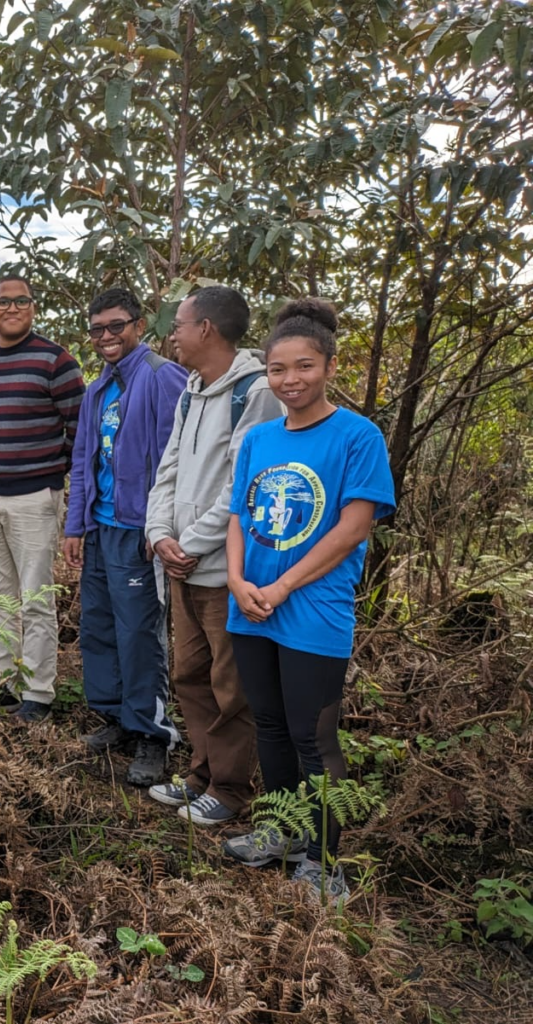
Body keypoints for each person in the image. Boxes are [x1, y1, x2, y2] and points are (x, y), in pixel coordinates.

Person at [221, 298, 395, 902]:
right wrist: (238, 583)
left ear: (329, 366)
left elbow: (354, 526)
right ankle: (279, 831)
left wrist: (282, 585)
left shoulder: (357, 435)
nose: (290, 380)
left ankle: (324, 861)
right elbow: (239, 518)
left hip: (313, 610)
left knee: (313, 736)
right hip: (250, 606)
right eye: (278, 369)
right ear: (265, 372)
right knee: (268, 725)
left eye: (304, 367)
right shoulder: (259, 439)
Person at [144, 286, 282, 823]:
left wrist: (191, 543)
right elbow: (169, 468)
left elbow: (242, 486)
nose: (172, 334)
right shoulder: (190, 390)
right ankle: (200, 774)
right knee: (189, 675)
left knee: (231, 686)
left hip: (224, 569)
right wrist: (160, 534)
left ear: (206, 329)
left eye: (178, 324)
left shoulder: (256, 392)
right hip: (182, 564)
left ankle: (229, 790)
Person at [63, 287, 187, 784]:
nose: (107, 337)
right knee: (99, 626)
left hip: (139, 530)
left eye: (117, 326)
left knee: (139, 633)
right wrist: (76, 524)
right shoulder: (98, 389)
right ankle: (114, 716)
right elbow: (82, 460)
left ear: (139, 325)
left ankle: (152, 733)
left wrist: (159, 527)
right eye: (98, 330)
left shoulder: (161, 377)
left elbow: (177, 463)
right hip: (100, 527)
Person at [0, 276, 84, 724]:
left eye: (21, 301)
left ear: (33, 307)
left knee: (35, 597)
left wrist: (53, 472)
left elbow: (79, 429)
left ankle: (37, 692)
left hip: (34, 496)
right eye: (2, 302)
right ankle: (3, 685)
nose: (11, 308)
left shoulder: (56, 361)